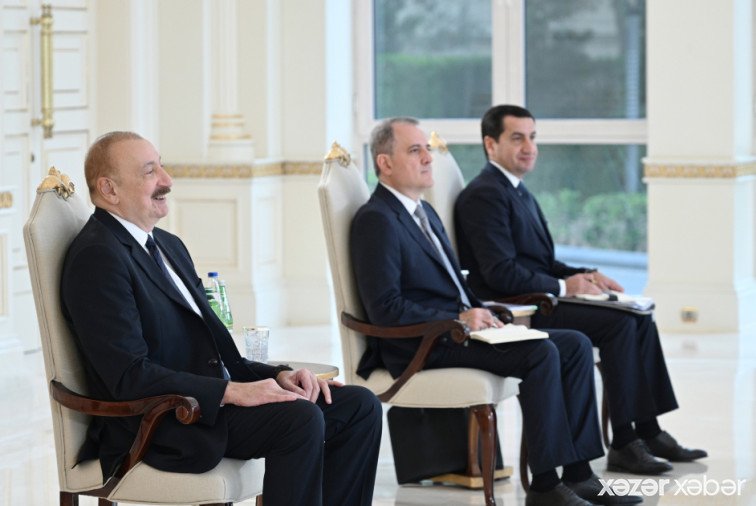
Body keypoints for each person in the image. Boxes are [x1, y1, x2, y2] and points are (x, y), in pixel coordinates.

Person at [61, 131, 382, 506]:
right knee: (299, 419)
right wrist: (235, 392)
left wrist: (278, 375)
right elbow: (129, 375)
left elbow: (217, 354)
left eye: (162, 166)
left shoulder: (167, 245)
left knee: (359, 406)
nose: (167, 180)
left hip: (207, 405)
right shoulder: (98, 257)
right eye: (150, 172)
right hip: (164, 420)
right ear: (109, 189)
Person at [351, 118, 640, 506]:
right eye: (414, 150)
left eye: (427, 150)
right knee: (540, 353)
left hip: (457, 331)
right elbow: (385, 307)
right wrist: (458, 320)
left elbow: (456, 287)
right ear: (384, 163)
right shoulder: (377, 220)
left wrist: (485, 310)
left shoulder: (424, 212)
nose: (427, 158)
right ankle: (545, 485)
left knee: (573, 344)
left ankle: (579, 473)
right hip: (423, 343)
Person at [454, 104, 707, 476]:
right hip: (519, 307)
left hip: (540, 296)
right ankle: (624, 442)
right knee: (619, 324)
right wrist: (563, 285)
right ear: (491, 145)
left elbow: (542, 261)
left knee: (638, 315)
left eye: (533, 137)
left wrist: (585, 274)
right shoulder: (484, 195)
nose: (529, 147)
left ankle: (648, 431)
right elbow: (500, 272)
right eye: (518, 138)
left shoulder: (516, 191)